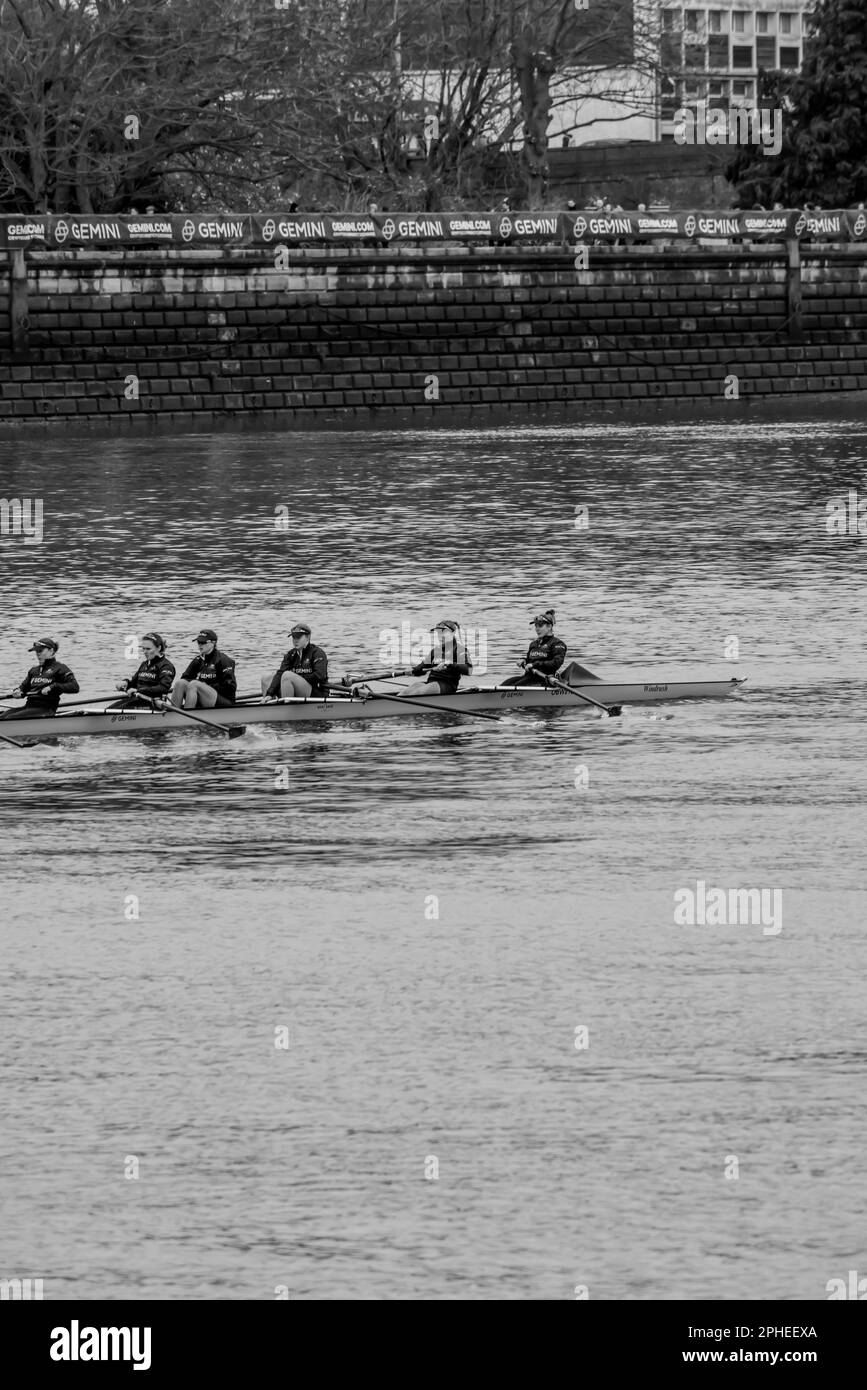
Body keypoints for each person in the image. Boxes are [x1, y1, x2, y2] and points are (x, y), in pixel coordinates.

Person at [0, 637, 79, 719]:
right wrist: (18, 691)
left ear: (51, 651)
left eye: (40, 651)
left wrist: (53, 687)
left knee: (10, 718)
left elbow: (75, 687)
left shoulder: (60, 668)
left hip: (46, 709)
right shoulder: (34, 671)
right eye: (36, 651)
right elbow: (23, 688)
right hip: (28, 707)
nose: (38, 654)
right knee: (2, 716)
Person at [399, 620, 472, 697]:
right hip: (431, 683)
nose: (440, 636)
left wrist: (450, 664)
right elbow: (422, 668)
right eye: (438, 633)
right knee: (411, 688)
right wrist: (412, 670)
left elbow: (469, 670)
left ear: (453, 633)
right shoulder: (435, 651)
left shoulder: (460, 650)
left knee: (424, 689)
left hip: (447, 685)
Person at [171, 629, 236, 709]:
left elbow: (230, 687)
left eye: (203, 642)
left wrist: (206, 685)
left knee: (194, 684)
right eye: (199, 642)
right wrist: (200, 686)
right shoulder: (198, 660)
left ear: (213, 643)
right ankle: (173, 714)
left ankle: (187, 718)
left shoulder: (223, 660)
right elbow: (185, 678)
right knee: (180, 683)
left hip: (224, 701)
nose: (200, 645)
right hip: (206, 697)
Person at [502, 609, 567, 687]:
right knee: (507, 683)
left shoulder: (557, 644)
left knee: (513, 686)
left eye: (540, 625)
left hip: (545, 679)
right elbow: (530, 661)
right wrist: (524, 660)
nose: (537, 629)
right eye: (536, 626)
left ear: (549, 627)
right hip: (529, 677)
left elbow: (556, 663)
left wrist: (534, 665)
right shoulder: (534, 644)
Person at [263, 623, 328, 700]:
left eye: (298, 637)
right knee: (266, 678)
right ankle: (268, 703)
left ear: (307, 637)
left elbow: (319, 676)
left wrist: (296, 677)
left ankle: (287, 709)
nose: (295, 640)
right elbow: (280, 673)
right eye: (294, 637)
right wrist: (270, 693)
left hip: (317, 692)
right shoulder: (291, 655)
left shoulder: (317, 653)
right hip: (299, 691)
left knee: (287, 676)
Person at [111, 632, 175, 708]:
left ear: (159, 648)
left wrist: (139, 691)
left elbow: (163, 688)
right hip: (137, 699)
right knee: (108, 709)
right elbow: (133, 684)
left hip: (153, 703)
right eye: (143, 648)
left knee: (113, 711)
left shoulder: (166, 666)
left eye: (148, 649)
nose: (144, 652)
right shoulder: (144, 664)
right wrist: (125, 683)